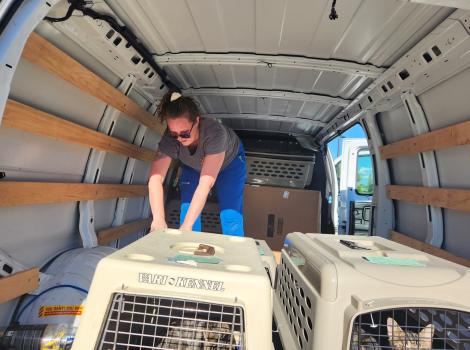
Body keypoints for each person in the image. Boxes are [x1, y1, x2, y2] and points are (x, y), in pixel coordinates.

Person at [148, 91, 246, 236]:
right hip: (193, 165)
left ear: (197, 121)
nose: (179, 138)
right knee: (186, 210)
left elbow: (205, 184)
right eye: (174, 134)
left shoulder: (215, 134)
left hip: (230, 164)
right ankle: (187, 254)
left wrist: (186, 226)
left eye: (185, 133)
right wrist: (158, 219)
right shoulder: (170, 139)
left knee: (230, 216)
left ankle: (237, 256)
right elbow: (155, 179)